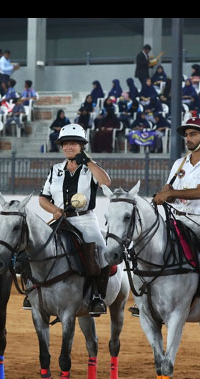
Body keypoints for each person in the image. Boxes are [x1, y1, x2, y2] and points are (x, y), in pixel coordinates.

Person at [152, 116, 200, 317]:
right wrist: (163, 195)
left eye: (193, 134)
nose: (188, 138)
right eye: (187, 135)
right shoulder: (180, 163)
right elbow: (170, 193)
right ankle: (148, 295)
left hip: (198, 219)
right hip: (175, 218)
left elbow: (199, 192)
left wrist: (171, 193)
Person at [38, 124, 112, 315]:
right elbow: (42, 198)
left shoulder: (90, 168)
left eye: (73, 144)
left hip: (85, 220)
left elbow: (105, 182)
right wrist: (54, 210)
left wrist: (88, 161)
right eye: (65, 144)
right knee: (37, 245)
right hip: (61, 221)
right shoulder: (55, 170)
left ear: (81, 146)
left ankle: (97, 296)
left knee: (102, 252)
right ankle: (34, 291)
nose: (68, 147)